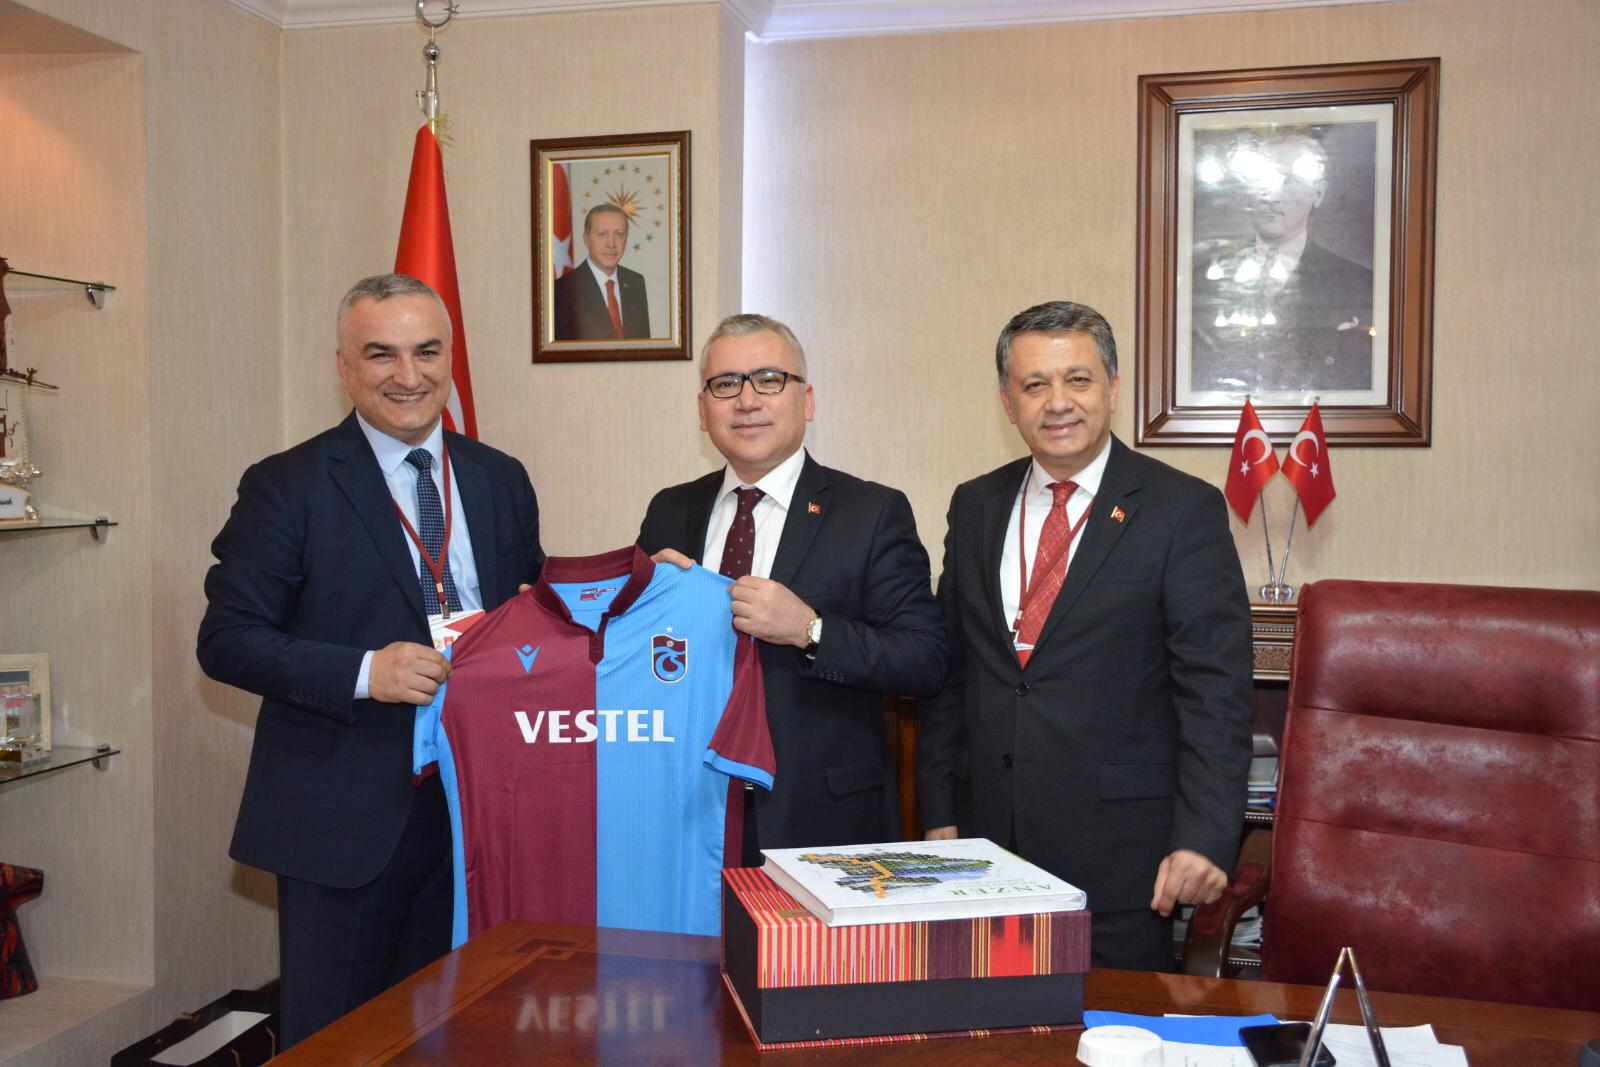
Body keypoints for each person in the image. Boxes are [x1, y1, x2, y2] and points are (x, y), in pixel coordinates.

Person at [197, 274, 544, 1046]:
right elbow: (226, 637)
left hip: (477, 813)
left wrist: (640, 589)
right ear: (344, 367)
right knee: (338, 1042)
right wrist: (365, 672)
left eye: (427, 351)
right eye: (381, 354)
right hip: (344, 818)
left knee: (461, 1032)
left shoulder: (499, 477)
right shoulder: (287, 485)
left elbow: (530, 611)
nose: (408, 375)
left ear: (450, 359)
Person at [919, 300, 1252, 972]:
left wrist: (1205, 835)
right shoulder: (975, 504)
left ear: (1113, 388)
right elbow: (953, 674)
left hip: (1122, 863)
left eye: (1078, 379)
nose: (1057, 402)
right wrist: (938, 809)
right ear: (1007, 402)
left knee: (1112, 1025)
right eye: (1034, 384)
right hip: (984, 854)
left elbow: (1214, 691)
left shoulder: (1181, 509)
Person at [638, 314, 946, 862]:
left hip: (821, 818)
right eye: (725, 384)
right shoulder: (670, 509)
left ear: (807, 400)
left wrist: (810, 630)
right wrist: (626, 610)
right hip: (688, 811)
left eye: (768, 379)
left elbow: (924, 659)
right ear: (703, 411)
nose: (746, 400)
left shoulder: (871, 512)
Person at [1191, 130, 1374, 394]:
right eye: (1260, 179)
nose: (1272, 196)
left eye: (1290, 180)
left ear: (1319, 193)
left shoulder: (1358, 285)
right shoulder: (1200, 282)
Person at [552, 204, 651, 340]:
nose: (611, 244)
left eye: (619, 234)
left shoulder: (636, 283)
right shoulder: (563, 290)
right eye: (602, 234)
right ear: (586, 239)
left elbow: (643, 346)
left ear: (626, 238)